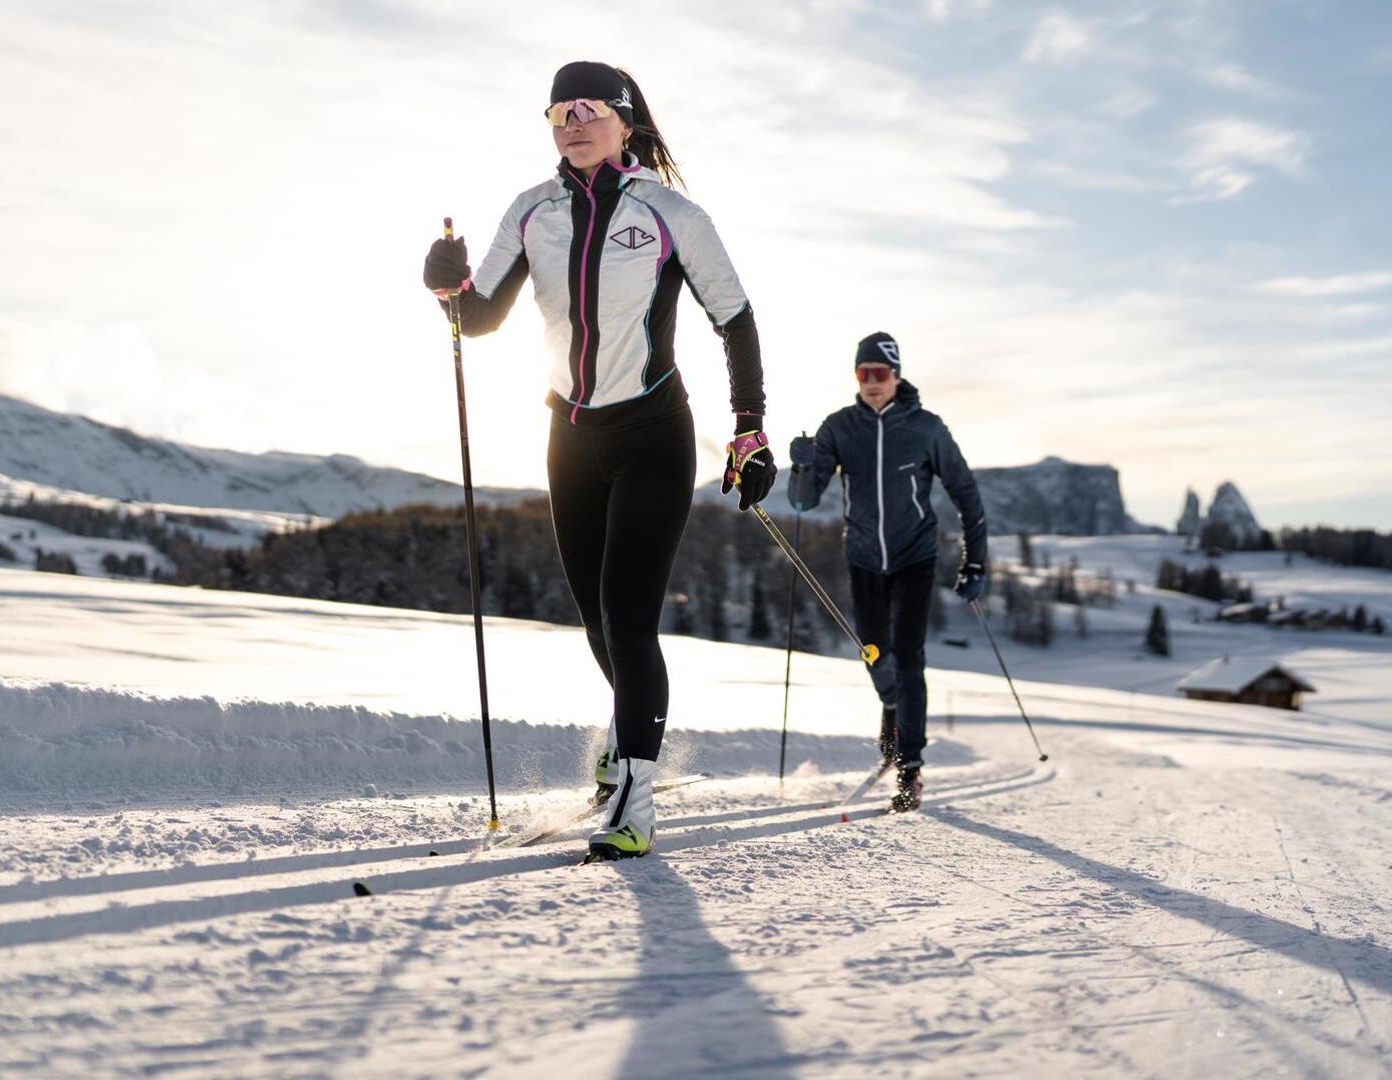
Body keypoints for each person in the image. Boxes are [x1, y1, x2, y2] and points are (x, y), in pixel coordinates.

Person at [421, 61, 775, 860]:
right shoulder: (531, 209)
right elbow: (478, 319)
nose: (571, 124)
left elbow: (737, 319)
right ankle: (627, 740)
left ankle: (634, 800)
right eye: (557, 112)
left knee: (627, 614)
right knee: (594, 619)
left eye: (588, 110)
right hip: (569, 435)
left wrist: (749, 429)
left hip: (653, 434)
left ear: (624, 121)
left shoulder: (671, 211)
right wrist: (444, 288)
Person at [787, 332, 987, 812]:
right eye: (863, 373)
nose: (872, 381)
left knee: (909, 655)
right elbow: (803, 500)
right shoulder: (839, 427)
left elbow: (966, 493)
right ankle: (893, 706)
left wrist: (976, 558)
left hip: (914, 557)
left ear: (896, 375)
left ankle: (910, 766)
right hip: (862, 558)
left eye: (880, 372)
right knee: (875, 652)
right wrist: (801, 466)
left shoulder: (926, 428)